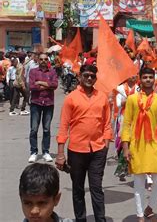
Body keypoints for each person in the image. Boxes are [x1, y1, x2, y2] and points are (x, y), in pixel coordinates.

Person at [56, 64, 113, 222]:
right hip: (76, 151)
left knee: (96, 188)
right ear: (80, 76)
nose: (89, 78)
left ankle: (100, 219)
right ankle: (80, 219)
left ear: (96, 78)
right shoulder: (71, 98)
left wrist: (106, 144)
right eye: (86, 75)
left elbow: (107, 124)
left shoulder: (102, 97)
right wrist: (60, 154)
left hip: (98, 150)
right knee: (78, 190)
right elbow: (63, 127)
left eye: (92, 76)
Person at [121, 67, 157, 221]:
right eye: (145, 77)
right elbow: (126, 123)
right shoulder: (132, 99)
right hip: (137, 144)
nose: (148, 80)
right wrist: (125, 147)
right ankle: (140, 214)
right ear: (139, 79)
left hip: (155, 145)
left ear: (154, 79)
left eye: (150, 77)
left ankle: (150, 207)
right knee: (139, 182)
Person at [28, 53, 59, 163]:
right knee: (34, 129)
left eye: (45, 59)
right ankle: (33, 152)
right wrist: (47, 85)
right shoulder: (33, 71)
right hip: (36, 103)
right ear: (38, 60)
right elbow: (31, 86)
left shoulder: (52, 72)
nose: (43, 61)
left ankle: (46, 152)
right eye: (41, 59)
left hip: (48, 103)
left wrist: (40, 82)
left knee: (46, 129)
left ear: (48, 60)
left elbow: (55, 85)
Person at [114, 75, 139, 181]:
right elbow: (119, 104)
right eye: (130, 76)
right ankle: (122, 169)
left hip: (137, 118)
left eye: (135, 76)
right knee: (123, 142)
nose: (132, 78)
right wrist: (130, 99)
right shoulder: (120, 89)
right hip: (123, 119)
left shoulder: (139, 88)